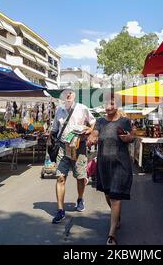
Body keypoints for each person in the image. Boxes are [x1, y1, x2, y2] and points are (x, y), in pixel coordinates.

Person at [87, 94, 135, 245]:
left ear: (117, 106)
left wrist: (128, 138)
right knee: (108, 194)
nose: (109, 106)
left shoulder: (125, 121)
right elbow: (94, 135)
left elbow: (132, 136)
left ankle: (112, 234)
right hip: (104, 165)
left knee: (115, 197)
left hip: (120, 164)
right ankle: (117, 217)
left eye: (112, 103)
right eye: (107, 103)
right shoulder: (100, 122)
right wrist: (91, 139)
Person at [51, 89, 96, 224]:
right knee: (60, 178)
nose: (68, 95)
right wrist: (50, 146)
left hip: (79, 147)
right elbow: (54, 130)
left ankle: (80, 198)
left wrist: (89, 130)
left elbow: (93, 122)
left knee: (80, 177)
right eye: (66, 93)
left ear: (74, 95)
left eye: (70, 92)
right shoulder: (59, 110)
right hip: (62, 147)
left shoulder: (82, 108)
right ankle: (60, 210)